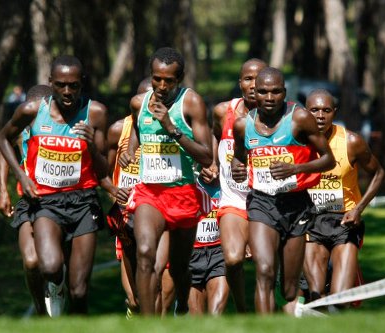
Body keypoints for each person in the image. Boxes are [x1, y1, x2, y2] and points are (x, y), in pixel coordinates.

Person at [0, 55, 108, 316]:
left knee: (80, 291)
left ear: (82, 84)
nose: (67, 92)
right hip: (43, 200)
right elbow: (3, 138)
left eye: (73, 85)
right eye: (60, 85)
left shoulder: (96, 113)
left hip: (83, 201)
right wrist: (20, 178)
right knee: (46, 266)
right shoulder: (32, 112)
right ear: (51, 83)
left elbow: (103, 171)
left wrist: (91, 144)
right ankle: (52, 291)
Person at [231, 67, 335, 314]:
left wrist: (295, 168)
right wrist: (238, 169)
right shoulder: (242, 126)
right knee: (264, 271)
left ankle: (283, 305)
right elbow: (238, 159)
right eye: (263, 92)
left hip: (296, 205)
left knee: (289, 289)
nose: (269, 98)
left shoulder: (299, 119)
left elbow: (328, 160)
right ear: (254, 93)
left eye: (275, 92)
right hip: (261, 204)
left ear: (284, 93)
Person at [120, 47, 213, 315]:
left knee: (180, 266)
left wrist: (172, 128)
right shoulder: (139, 103)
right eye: (156, 79)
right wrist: (130, 151)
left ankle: (182, 305)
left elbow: (206, 156)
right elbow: (139, 128)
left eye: (168, 80)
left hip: (183, 193)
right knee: (146, 254)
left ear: (180, 78)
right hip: (150, 194)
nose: (161, 86)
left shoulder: (191, 103)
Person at [303, 89, 384, 305]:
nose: (320, 115)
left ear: (334, 112)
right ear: (305, 112)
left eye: (326, 110)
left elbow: (378, 173)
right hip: (311, 223)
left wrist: (358, 209)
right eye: (314, 110)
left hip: (345, 222)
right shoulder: (297, 142)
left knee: (339, 300)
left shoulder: (351, 142)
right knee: (315, 297)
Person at [104, 77, 173, 318]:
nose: (149, 105)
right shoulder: (117, 130)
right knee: (135, 300)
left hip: (161, 211)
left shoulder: (170, 127)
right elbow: (101, 173)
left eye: (153, 100)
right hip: (126, 216)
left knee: (159, 290)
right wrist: (114, 191)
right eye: (143, 100)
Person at [210, 58, 267, 312]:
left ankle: (269, 308)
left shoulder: (281, 117)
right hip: (233, 199)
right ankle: (243, 309)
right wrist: (212, 162)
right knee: (232, 259)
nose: (253, 85)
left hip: (267, 200)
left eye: (259, 79)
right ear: (240, 83)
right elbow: (213, 136)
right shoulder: (223, 112)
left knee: (266, 265)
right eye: (248, 79)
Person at [0, 84, 52, 315]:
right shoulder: (20, 130)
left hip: (60, 201)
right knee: (31, 262)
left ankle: (60, 296)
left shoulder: (59, 128)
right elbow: (4, 145)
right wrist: (3, 189)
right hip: (29, 203)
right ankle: (40, 309)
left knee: (56, 266)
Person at [188, 178, 229, 315]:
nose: (211, 169)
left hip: (219, 253)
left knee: (216, 315)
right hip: (191, 254)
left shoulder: (228, 184)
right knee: (196, 320)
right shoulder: (188, 181)